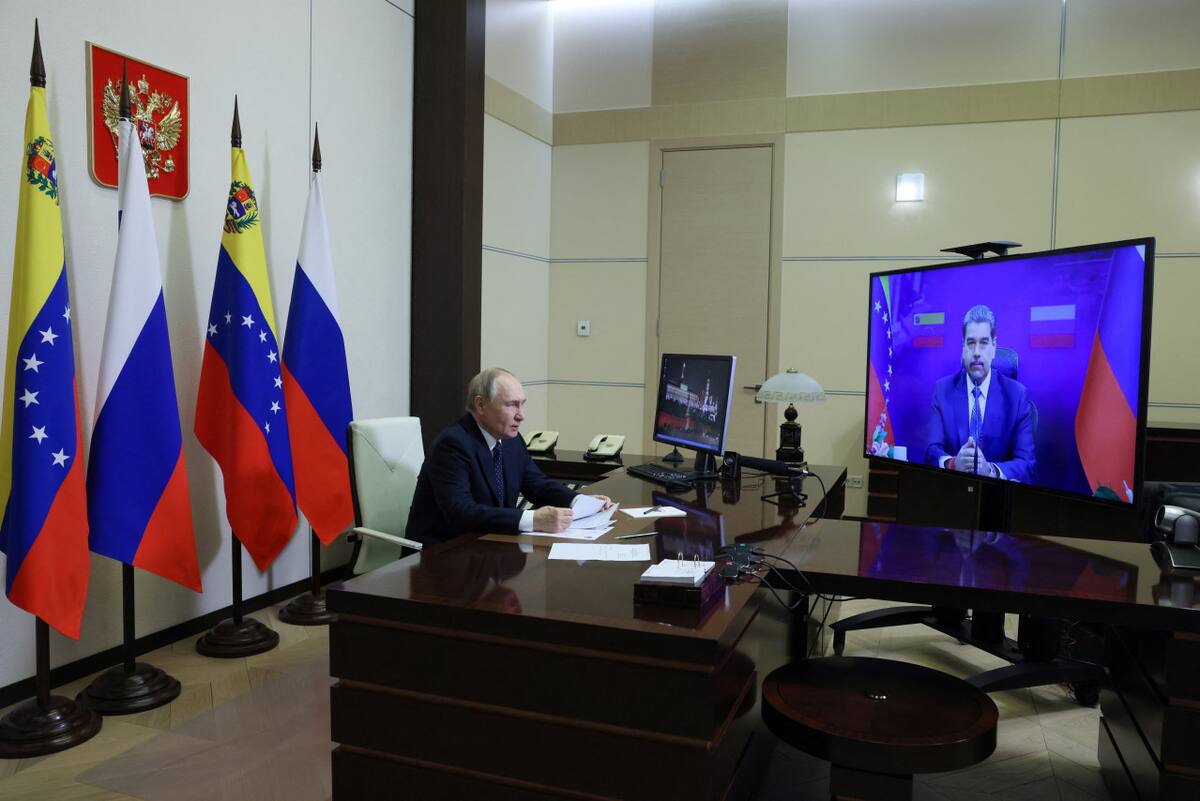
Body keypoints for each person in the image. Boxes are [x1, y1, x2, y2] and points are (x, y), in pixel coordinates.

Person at [406, 367, 612, 545]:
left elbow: (537, 485)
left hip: (487, 548)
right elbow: (461, 513)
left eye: (522, 404)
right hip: (441, 558)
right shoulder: (453, 444)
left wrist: (579, 501)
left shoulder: (511, 440)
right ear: (480, 405)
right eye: (511, 405)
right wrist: (534, 519)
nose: (521, 415)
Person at [925, 305, 1036, 483]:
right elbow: (931, 450)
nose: (976, 352)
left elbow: (1027, 465)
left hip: (997, 497)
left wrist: (990, 470)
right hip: (953, 490)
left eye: (983, 343)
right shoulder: (943, 390)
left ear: (994, 346)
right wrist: (953, 464)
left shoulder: (1016, 396)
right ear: (963, 347)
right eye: (970, 343)